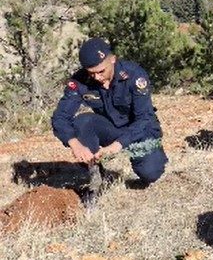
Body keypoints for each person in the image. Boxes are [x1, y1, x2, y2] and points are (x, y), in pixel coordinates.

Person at [51, 38, 168, 190]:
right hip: (111, 129)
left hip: (140, 131)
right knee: (83, 122)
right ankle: (95, 174)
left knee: (150, 172)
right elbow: (60, 118)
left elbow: (144, 118)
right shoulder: (80, 81)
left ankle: (154, 157)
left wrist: (117, 145)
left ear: (112, 60)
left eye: (101, 71)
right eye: (91, 73)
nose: (97, 77)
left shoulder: (134, 75)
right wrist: (75, 144)